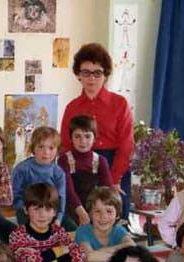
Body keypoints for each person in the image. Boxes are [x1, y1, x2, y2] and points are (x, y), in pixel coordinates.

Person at [61, 43, 134, 219]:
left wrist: (114, 179)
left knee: (115, 219)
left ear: (105, 75)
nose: (91, 78)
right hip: (81, 167)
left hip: (114, 164)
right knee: (84, 219)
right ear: (78, 75)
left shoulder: (120, 103)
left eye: (97, 73)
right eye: (86, 72)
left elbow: (126, 145)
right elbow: (65, 144)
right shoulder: (72, 107)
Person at [9, 182, 86, 262]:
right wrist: (58, 251)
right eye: (36, 209)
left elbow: (79, 255)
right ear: (26, 210)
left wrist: (50, 260)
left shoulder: (58, 232)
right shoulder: (18, 235)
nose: (42, 215)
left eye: (48, 209)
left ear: (55, 212)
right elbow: (30, 261)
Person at [58, 114, 114, 226]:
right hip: (70, 207)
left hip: (94, 208)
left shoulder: (100, 161)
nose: (83, 141)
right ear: (71, 138)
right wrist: (81, 213)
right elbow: (68, 191)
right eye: (77, 136)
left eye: (87, 136)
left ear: (94, 138)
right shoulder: (64, 160)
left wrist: (100, 214)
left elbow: (107, 191)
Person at [11, 126, 68, 228]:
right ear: (33, 148)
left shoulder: (58, 173)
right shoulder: (22, 169)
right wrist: (28, 209)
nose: (46, 152)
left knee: (73, 229)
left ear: (57, 150)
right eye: (41, 147)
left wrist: (58, 219)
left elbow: (61, 198)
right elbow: (14, 195)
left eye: (51, 148)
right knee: (34, 232)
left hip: (51, 212)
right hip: (27, 212)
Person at [74, 187, 134, 262]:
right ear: (90, 214)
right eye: (98, 211)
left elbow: (132, 247)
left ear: (117, 214)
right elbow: (90, 256)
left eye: (109, 211)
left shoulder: (118, 230)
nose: (103, 216)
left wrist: (102, 251)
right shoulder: (82, 231)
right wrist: (121, 255)